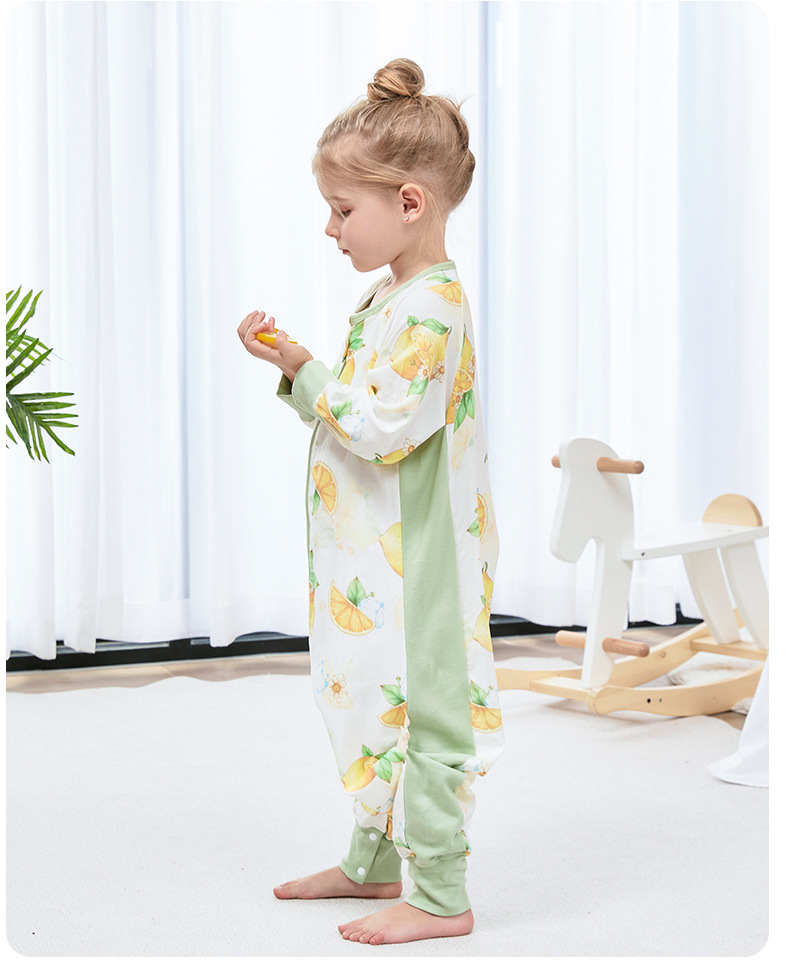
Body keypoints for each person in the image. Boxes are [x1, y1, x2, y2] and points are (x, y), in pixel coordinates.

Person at [237, 58, 504, 946]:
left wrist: (305, 370)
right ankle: (375, 858)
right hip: (370, 554)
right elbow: (365, 414)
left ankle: (442, 892)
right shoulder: (389, 295)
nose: (330, 227)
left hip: (419, 560)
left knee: (425, 709)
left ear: (410, 203)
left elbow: (383, 424)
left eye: (343, 209)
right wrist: (301, 368)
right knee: (367, 699)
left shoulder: (434, 307)